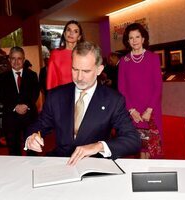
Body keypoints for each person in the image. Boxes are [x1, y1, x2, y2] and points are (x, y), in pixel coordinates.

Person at [25, 41, 141, 165]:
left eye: (86, 71)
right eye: (75, 69)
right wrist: (31, 138)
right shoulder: (56, 96)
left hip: (95, 165)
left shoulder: (113, 100)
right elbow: (37, 127)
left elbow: (133, 140)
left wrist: (98, 146)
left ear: (99, 70)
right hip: (61, 163)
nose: (79, 77)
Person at [118, 23, 163, 159]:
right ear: (128, 41)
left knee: (151, 146)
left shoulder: (153, 58)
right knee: (138, 145)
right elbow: (121, 88)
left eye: (137, 37)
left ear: (143, 39)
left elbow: (158, 86)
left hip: (152, 109)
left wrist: (149, 110)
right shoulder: (124, 61)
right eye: (131, 38)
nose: (134, 40)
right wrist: (131, 110)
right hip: (133, 110)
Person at [0, 46, 40, 155]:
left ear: (24, 60)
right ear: (9, 60)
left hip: (30, 117)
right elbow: (1, 96)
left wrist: (26, 105)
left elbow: (35, 93)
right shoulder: (1, 78)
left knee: (32, 150)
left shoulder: (32, 75)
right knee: (14, 151)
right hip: (11, 118)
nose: (16, 61)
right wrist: (15, 106)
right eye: (13, 58)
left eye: (19, 58)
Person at [46, 20, 84, 90]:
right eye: (68, 30)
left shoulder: (84, 54)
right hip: (62, 96)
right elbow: (51, 81)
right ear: (64, 33)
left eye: (75, 31)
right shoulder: (55, 54)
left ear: (79, 37)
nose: (71, 33)